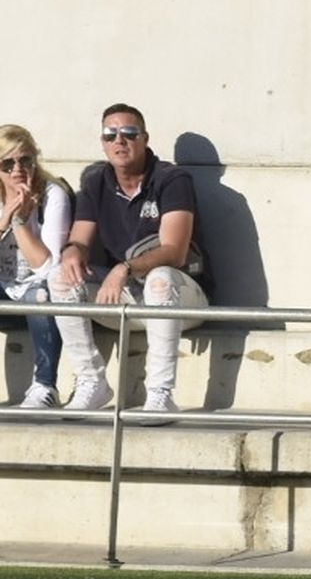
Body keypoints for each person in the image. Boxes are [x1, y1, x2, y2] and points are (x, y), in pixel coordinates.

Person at [49, 104, 210, 415]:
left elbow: (174, 250)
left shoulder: (172, 179)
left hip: (183, 299)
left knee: (160, 279)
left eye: (129, 133)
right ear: (103, 142)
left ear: (144, 138)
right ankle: (92, 381)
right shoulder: (96, 181)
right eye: (111, 135)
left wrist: (124, 269)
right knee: (60, 277)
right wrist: (72, 252)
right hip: (127, 298)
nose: (119, 141)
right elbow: (80, 239)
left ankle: (161, 394)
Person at [0, 125, 73, 408]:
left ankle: (45, 385)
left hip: (39, 295)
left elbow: (49, 269)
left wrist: (20, 223)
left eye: (25, 160)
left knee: (40, 292)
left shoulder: (53, 194)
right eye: (7, 163)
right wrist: (5, 218)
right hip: (5, 291)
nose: (17, 169)